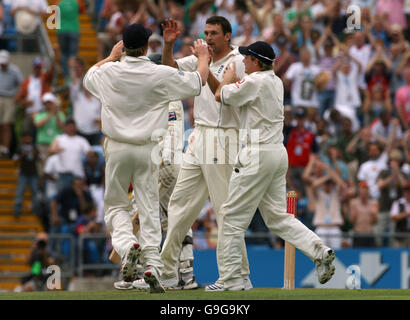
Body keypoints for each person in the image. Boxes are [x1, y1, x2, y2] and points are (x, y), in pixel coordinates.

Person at [83, 23, 209, 293]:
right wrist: (204, 58)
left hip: (117, 147)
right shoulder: (159, 74)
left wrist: (110, 57)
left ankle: (129, 249)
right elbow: (198, 83)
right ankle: (152, 264)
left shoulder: (109, 71)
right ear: (146, 46)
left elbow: (88, 75)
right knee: (149, 207)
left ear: (123, 45)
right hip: (148, 149)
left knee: (117, 206)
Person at [212, 41, 335, 290]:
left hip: (256, 154)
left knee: (231, 218)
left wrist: (226, 78)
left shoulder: (254, 82)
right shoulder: (276, 81)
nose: (243, 62)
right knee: (278, 218)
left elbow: (219, 95)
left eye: (247, 58)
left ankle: (232, 280)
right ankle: (319, 250)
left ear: (256, 62)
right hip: (277, 153)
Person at [159, 17, 251, 292]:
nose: (208, 38)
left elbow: (222, 94)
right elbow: (168, 68)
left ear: (227, 35)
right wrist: (169, 45)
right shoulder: (202, 58)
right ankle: (166, 274)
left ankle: (235, 277)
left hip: (224, 137)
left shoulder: (239, 61)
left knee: (225, 212)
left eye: (214, 34)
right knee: (179, 205)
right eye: (206, 33)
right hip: (198, 135)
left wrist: (203, 62)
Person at [48, 118, 93, 193]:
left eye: (72, 126)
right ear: (65, 127)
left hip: (78, 174)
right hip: (64, 175)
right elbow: (50, 151)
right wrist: (57, 150)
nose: (71, 128)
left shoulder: (81, 140)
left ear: (76, 127)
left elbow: (89, 152)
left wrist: (91, 153)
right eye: (69, 126)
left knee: (78, 198)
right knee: (63, 198)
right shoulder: (59, 138)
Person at [33, 92, 65, 174]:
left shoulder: (60, 114)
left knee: (55, 164)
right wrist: (51, 114)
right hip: (43, 144)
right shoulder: (40, 114)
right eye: (46, 103)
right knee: (42, 164)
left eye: (50, 103)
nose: (48, 105)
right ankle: (42, 182)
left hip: (55, 144)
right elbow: (38, 125)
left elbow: (62, 127)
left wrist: (56, 114)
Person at [0, 50, 23, 158]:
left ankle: (5, 149)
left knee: (6, 124)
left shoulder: (15, 70)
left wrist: (17, 95)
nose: (3, 65)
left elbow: (22, 84)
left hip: (10, 98)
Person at [12, 132, 39, 218]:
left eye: (29, 138)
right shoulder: (20, 148)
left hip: (33, 174)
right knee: (20, 192)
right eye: (26, 138)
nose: (28, 140)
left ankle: (35, 211)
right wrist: (23, 154)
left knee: (35, 193)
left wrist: (34, 153)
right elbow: (14, 160)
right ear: (23, 139)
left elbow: (40, 158)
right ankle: (17, 210)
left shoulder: (34, 148)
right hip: (23, 174)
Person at [349, 181, 379, 248]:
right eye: (362, 190)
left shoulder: (373, 203)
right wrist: (354, 215)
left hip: (369, 233)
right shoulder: (353, 203)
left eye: (365, 190)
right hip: (358, 233)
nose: (363, 192)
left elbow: (376, 221)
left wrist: (374, 214)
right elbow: (351, 221)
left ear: (368, 192)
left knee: (371, 255)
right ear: (359, 191)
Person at [57, 0, 82, 79]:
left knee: (64, 54)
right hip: (74, 30)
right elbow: (82, 10)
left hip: (62, 30)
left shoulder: (59, 3)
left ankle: (66, 77)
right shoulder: (76, 3)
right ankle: (73, 77)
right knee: (72, 54)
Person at [390, 182, 410, 247]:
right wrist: (406, 214)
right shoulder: (398, 203)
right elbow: (393, 217)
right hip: (401, 235)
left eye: (409, 191)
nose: (408, 193)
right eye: (406, 191)